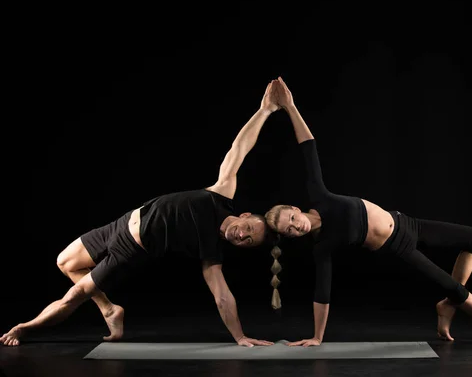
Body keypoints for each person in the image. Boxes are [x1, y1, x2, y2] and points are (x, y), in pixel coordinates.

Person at [1, 80, 282, 347]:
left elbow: (222, 296)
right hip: (120, 224)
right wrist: (265, 110)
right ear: (245, 216)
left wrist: (240, 337)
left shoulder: (211, 250)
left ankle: (24, 328)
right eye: (249, 230)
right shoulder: (219, 196)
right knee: (65, 262)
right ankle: (110, 309)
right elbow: (239, 148)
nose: (242, 236)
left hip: (129, 249)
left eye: (248, 242)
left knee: (73, 297)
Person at [264, 76, 472, 346]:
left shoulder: (318, 195)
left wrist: (290, 106)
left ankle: (447, 306)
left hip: (408, 223)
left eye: (291, 219)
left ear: (295, 209)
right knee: (456, 289)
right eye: (288, 231)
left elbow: (307, 146)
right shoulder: (322, 246)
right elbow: (322, 293)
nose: (295, 227)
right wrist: (317, 337)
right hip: (399, 247)